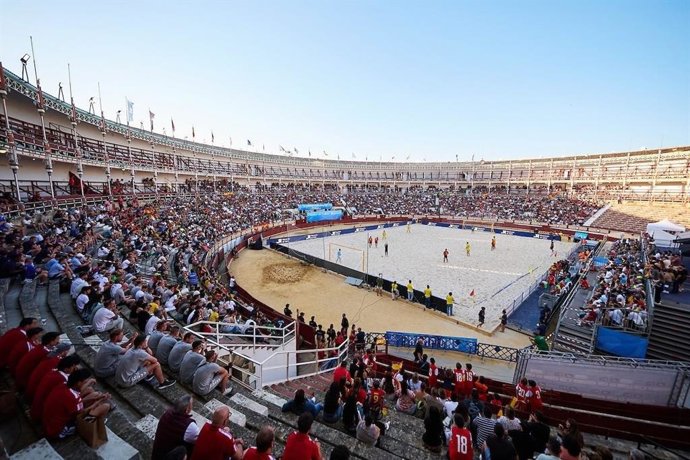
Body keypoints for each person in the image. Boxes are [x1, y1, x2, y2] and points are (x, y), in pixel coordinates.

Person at [42, 368, 112, 439]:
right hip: (58, 431)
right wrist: (99, 401)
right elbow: (82, 412)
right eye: (85, 381)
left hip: (47, 423)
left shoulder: (64, 385)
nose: (87, 383)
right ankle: (97, 424)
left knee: (94, 394)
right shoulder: (73, 397)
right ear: (79, 383)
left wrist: (97, 398)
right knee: (106, 406)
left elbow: (78, 401)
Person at [31, 355, 81, 422]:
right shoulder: (63, 380)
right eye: (73, 366)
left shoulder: (54, 371)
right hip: (42, 413)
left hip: (37, 405)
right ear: (66, 369)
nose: (74, 368)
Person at [152, 395, 200, 460]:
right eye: (192, 405)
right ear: (187, 410)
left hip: (157, 454)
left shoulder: (167, 413)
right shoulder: (190, 426)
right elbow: (199, 441)